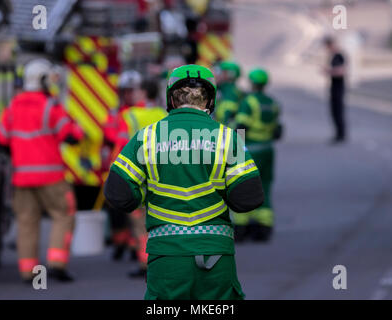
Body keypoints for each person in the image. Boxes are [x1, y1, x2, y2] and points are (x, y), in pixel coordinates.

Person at [104, 64, 264, 299]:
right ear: (210, 100)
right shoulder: (229, 137)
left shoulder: (146, 137)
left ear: (171, 98)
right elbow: (249, 198)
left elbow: (118, 193)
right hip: (215, 253)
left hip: (166, 255)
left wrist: (144, 197)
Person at [0, 58, 84, 282]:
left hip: (22, 177)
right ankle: (56, 263)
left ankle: (28, 271)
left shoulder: (13, 106)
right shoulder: (50, 106)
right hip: (51, 176)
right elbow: (71, 136)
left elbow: (0, 138)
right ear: (42, 80)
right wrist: (79, 128)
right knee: (64, 215)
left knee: (26, 221)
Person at [110, 78, 168, 278]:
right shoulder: (164, 115)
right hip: (162, 175)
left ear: (143, 92)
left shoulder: (129, 115)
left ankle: (146, 264)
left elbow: (121, 146)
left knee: (140, 223)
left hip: (139, 175)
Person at [233, 68, 282, 243]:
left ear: (252, 83)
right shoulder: (272, 102)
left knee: (244, 186)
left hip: (252, 149)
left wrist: (235, 148)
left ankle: (241, 227)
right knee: (265, 186)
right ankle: (265, 225)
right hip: (268, 149)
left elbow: (241, 126)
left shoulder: (249, 102)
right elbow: (278, 131)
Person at [104, 70, 144, 262]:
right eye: (125, 91)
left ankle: (133, 247)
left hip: (139, 169)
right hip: (118, 167)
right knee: (117, 209)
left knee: (136, 210)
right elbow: (109, 135)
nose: (128, 95)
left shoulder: (142, 111)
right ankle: (119, 243)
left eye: (131, 91)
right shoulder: (115, 112)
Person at [323, 36, 347, 143]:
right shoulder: (333, 56)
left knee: (338, 112)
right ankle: (338, 134)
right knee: (334, 112)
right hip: (334, 87)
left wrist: (329, 71)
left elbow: (341, 71)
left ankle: (341, 135)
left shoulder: (339, 56)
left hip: (339, 88)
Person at [214, 61, 244, 127]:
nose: (217, 75)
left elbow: (225, 115)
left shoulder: (228, 91)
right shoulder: (234, 90)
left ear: (230, 75)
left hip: (224, 131)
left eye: (221, 72)